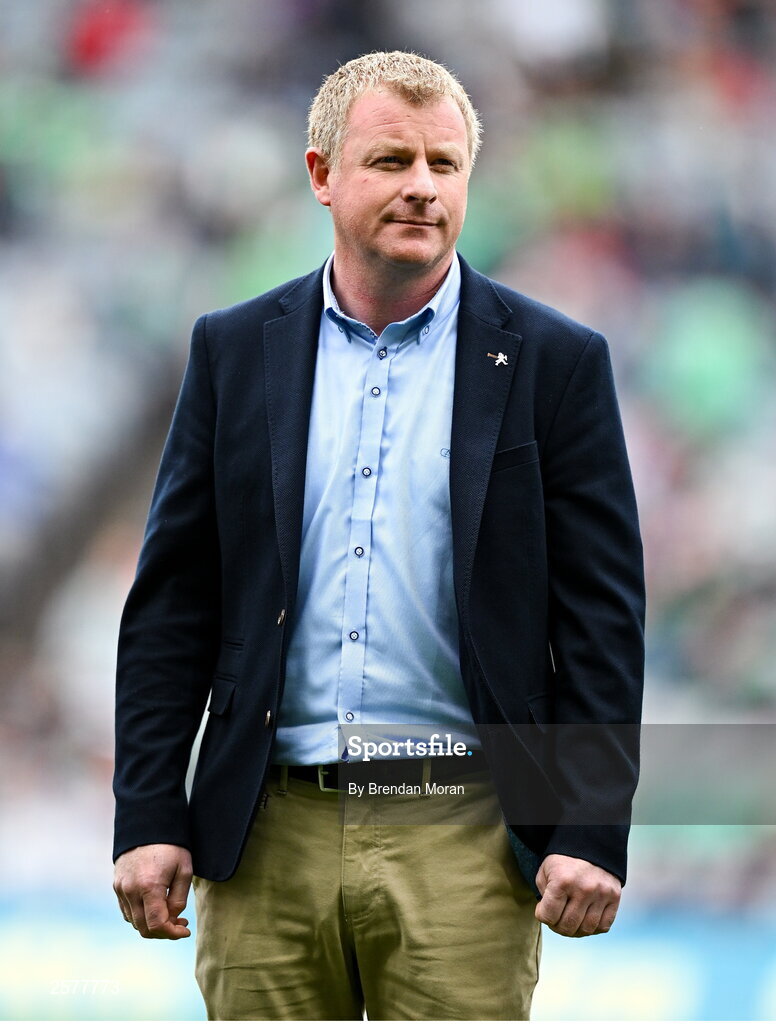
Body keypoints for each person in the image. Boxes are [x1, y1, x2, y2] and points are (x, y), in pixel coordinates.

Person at [112, 51, 645, 1021]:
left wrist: (592, 827)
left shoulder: (556, 363)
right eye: (391, 159)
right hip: (265, 830)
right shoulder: (232, 351)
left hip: (467, 832)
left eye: (443, 165)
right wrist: (147, 811)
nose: (420, 187)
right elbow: (172, 604)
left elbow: (602, 621)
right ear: (320, 174)